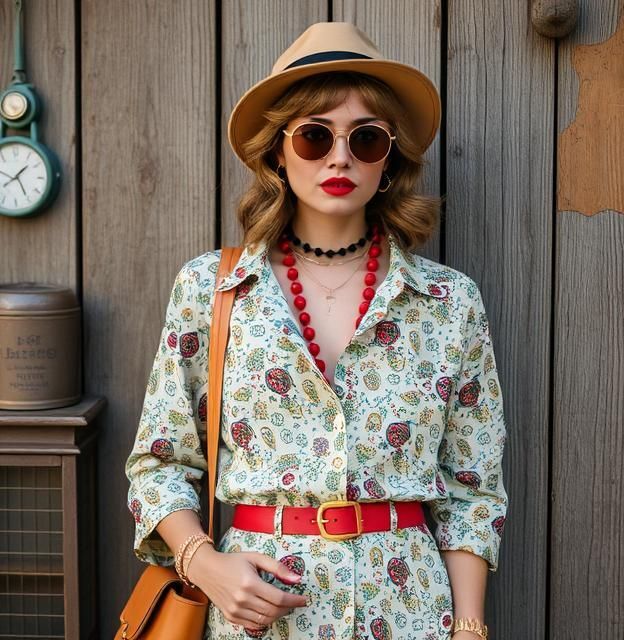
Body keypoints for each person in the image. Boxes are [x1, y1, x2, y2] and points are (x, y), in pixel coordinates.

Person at [125, 22, 508, 640]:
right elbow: (158, 462)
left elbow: (473, 491)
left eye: (365, 139)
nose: (339, 157)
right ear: (278, 151)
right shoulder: (211, 289)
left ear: (389, 160)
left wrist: (468, 628)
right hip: (257, 614)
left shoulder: (448, 302)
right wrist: (207, 564)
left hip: (408, 615)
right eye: (313, 136)